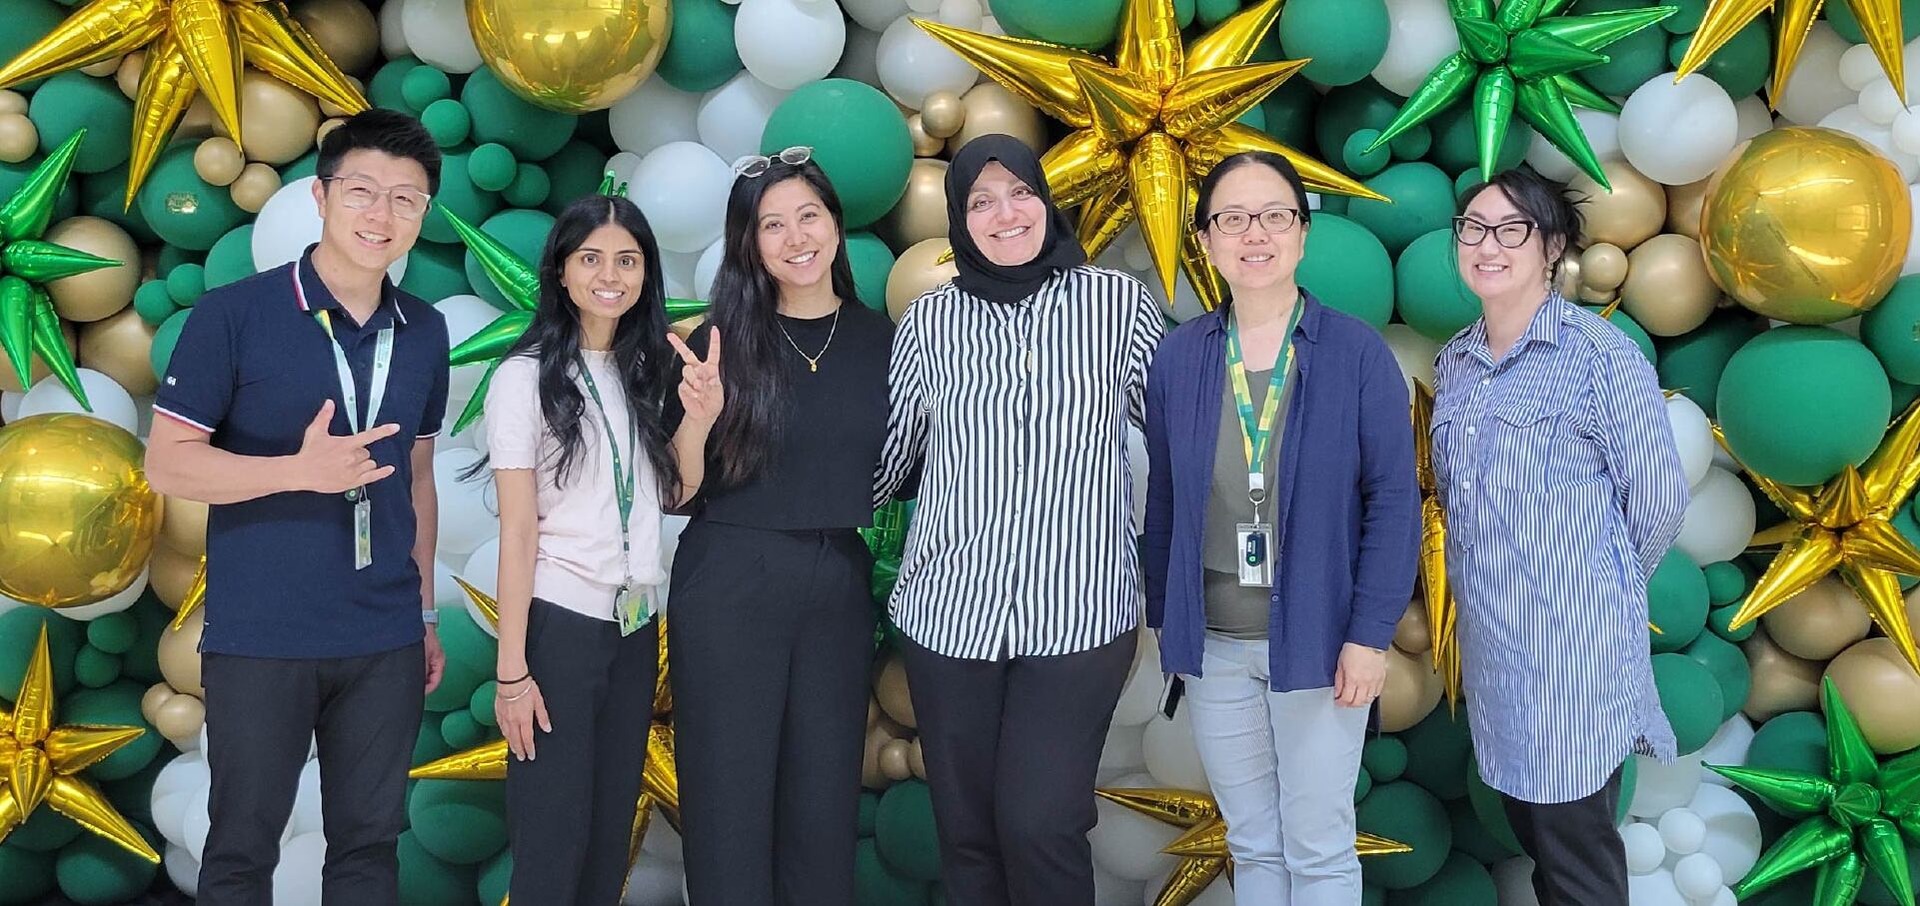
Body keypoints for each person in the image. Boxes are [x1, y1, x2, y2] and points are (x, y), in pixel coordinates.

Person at [145, 109, 448, 904]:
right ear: (320, 196)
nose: (381, 216)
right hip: (263, 635)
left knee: (369, 848)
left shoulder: (426, 330)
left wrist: (421, 613)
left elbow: (417, 477)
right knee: (242, 847)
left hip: (383, 637)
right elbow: (168, 463)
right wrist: (295, 472)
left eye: (405, 200)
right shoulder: (233, 315)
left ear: (423, 215)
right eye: (362, 192)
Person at [874, 133, 1165, 905]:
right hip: (949, 614)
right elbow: (885, 464)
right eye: (981, 200)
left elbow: (1179, 435)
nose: (1006, 214)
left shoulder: (1116, 307)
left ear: (1046, 199)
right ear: (959, 220)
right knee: (967, 836)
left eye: (1021, 192)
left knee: (1042, 823)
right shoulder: (929, 323)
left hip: (1081, 611)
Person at [1141, 151, 1420, 905]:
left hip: (1322, 643)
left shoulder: (1355, 353)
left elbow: (1395, 503)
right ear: (1205, 240)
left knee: (1320, 844)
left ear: (1301, 234)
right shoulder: (1180, 358)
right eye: (1231, 218)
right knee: (1253, 843)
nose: (1253, 233)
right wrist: (1170, 626)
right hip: (1216, 649)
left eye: (1274, 215)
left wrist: (1369, 635)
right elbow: (1163, 502)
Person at [1431, 166, 1688, 905]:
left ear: (1551, 248)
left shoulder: (1599, 358)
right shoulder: (1458, 363)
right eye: (1473, 229)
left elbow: (1660, 500)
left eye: (1510, 230)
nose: (1488, 245)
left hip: (1574, 658)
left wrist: (1593, 587)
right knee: (1543, 848)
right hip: (1496, 656)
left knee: (1579, 865)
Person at [667, 147, 895, 905]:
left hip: (838, 580)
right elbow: (675, 491)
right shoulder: (716, 345)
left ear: (835, 223)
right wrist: (696, 420)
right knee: (728, 796)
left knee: (824, 797)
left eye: (809, 215)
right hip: (730, 578)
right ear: (748, 244)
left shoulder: (888, 341)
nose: (796, 236)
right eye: (772, 224)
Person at [482, 193, 722, 904]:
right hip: (559, 627)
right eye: (590, 259)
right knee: (552, 843)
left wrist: (699, 418)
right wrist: (511, 674)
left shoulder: (644, 372)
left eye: (627, 259)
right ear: (560, 272)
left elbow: (671, 498)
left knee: (607, 836)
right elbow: (519, 531)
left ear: (645, 273)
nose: (609, 274)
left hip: (635, 627)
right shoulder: (522, 379)